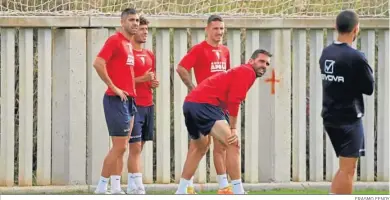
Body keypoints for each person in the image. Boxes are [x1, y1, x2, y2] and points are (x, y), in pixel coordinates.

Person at [175, 49, 272, 195]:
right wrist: (233, 128)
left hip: (190, 104)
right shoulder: (248, 72)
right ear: (251, 61)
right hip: (205, 104)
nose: (264, 65)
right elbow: (234, 100)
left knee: (199, 148)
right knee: (233, 143)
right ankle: (238, 191)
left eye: (267, 63)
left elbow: (228, 98)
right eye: (261, 61)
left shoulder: (240, 71)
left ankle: (181, 191)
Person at [319, 10, 374, 194]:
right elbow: (369, 88)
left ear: (335, 26)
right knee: (348, 169)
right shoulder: (356, 57)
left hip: (329, 116)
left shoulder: (327, 53)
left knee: (345, 167)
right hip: (349, 119)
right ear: (356, 29)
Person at [176, 14, 232, 194]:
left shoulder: (225, 51)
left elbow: (228, 76)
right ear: (207, 30)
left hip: (219, 105)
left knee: (220, 144)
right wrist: (193, 88)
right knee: (200, 145)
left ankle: (223, 186)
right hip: (203, 105)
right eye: (215, 28)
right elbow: (181, 68)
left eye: (222, 28)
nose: (219, 32)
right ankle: (186, 186)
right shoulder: (199, 49)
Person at [92, 8, 139, 194]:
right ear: (122, 22)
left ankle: (116, 188)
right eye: (131, 20)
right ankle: (101, 187)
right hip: (115, 100)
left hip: (130, 101)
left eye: (136, 20)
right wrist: (114, 88)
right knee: (120, 146)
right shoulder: (114, 40)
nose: (135, 23)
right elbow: (98, 63)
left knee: (122, 147)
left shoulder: (129, 44)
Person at [126, 16, 159, 194]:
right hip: (134, 105)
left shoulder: (149, 54)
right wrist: (143, 79)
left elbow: (150, 78)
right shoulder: (128, 52)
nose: (145, 32)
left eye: (147, 29)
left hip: (148, 104)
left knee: (141, 146)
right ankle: (136, 185)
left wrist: (152, 83)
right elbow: (123, 80)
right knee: (135, 146)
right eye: (141, 29)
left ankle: (133, 181)